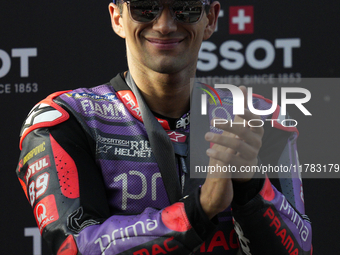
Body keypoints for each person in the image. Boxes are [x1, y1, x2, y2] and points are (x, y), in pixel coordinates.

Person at [16, 0, 312, 254]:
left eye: (185, 8)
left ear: (210, 19)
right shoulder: (66, 118)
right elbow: (77, 246)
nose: (165, 25)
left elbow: (301, 248)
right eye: (146, 8)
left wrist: (251, 186)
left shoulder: (261, 117)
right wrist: (201, 208)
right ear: (118, 17)